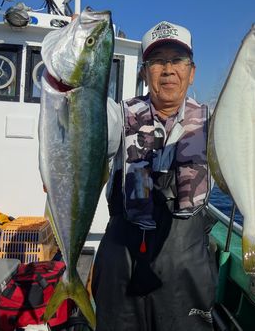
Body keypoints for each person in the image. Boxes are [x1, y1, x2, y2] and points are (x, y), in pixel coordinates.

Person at [92, 21, 218, 331]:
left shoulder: (214, 121)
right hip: (121, 255)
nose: (168, 69)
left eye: (177, 60)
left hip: (186, 260)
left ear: (192, 72)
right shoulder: (117, 116)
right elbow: (80, 115)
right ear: (144, 72)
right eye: (158, 61)